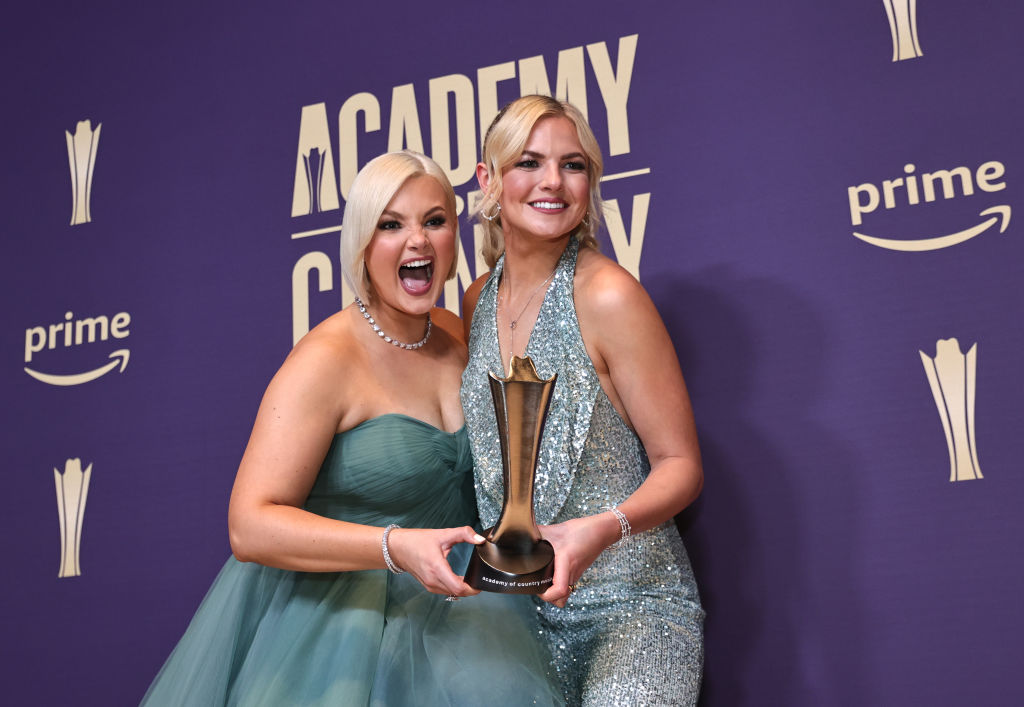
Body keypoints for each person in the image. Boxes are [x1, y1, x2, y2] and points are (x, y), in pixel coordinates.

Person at [142, 150, 563, 706]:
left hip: (461, 616)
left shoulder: (456, 332)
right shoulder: (326, 359)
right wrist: (393, 547)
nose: (417, 240)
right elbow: (249, 526)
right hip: (337, 630)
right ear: (362, 244)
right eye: (392, 225)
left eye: (434, 221)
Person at [461, 95, 705, 705]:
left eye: (572, 165)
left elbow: (681, 465)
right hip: (513, 619)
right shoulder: (475, 302)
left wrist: (601, 530)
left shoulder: (610, 296)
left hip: (632, 608)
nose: (552, 181)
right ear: (488, 182)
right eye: (529, 162)